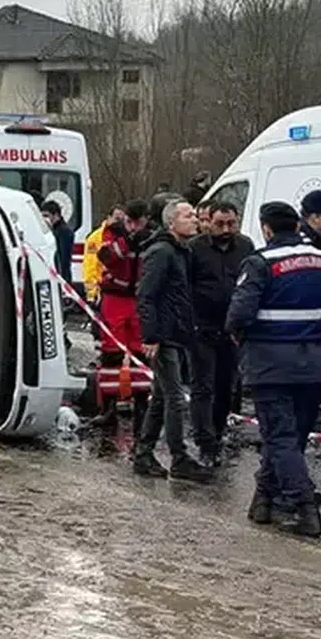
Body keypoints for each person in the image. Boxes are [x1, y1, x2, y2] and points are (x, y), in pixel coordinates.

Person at [227, 201, 321, 537]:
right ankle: (263, 499)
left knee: (279, 436)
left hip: (270, 361)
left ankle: (304, 507)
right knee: (293, 436)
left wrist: (238, 335)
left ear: (266, 228)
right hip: (312, 360)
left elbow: (239, 314)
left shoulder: (260, 262)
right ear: (297, 225)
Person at [132, 200, 213, 482]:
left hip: (176, 333)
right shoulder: (162, 252)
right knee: (175, 398)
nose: (195, 220)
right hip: (163, 336)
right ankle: (179, 457)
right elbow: (146, 295)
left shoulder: (181, 251)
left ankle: (143, 453)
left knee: (162, 397)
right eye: (188, 216)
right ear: (171, 223)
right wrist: (151, 336)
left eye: (194, 215)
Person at [187, 202, 255, 465]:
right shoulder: (196, 248)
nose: (226, 229)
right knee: (203, 387)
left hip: (232, 329)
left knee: (226, 387)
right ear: (209, 222)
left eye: (231, 224)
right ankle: (205, 442)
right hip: (202, 327)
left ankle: (217, 432)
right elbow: (186, 285)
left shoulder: (245, 247)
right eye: (220, 224)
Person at [94, 199, 153, 423]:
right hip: (114, 298)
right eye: (130, 222)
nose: (133, 227)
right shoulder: (113, 233)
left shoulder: (153, 237)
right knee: (111, 352)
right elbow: (105, 257)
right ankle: (108, 406)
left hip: (139, 299)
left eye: (138, 222)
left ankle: (141, 403)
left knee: (140, 351)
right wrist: (127, 241)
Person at [83, 205, 125, 304]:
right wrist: (91, 294)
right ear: (108, 218)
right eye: (117, 218)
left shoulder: (124, 237)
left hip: (119, 289)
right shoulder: (95, 239)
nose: (119, 223)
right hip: (101, 289)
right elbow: (90, 267)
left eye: (122, 220)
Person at [41, 200, 74, 288]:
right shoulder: (52, 230)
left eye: (46, 215)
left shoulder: (64, 232)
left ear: (56, 215)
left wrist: (62, 281)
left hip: (61, 277)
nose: (44, 219)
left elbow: (63, 259)